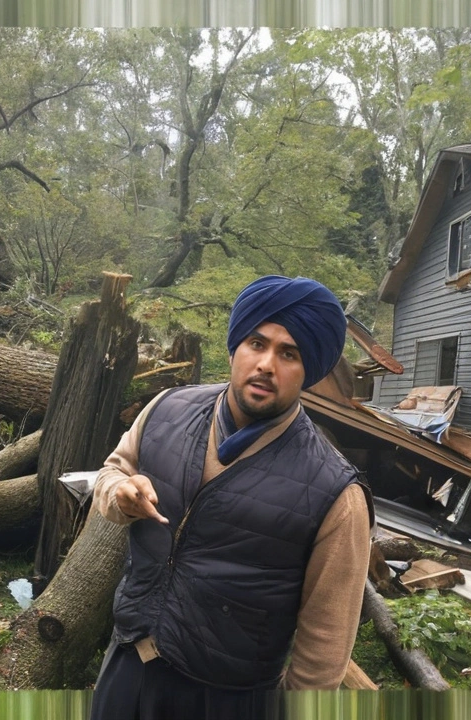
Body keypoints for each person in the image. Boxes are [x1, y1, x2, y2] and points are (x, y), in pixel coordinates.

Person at [88, 275, 373, 720]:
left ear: (309, 371)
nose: (266, 364)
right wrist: (119, 493)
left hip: (225, 697)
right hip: (128, 662)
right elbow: (113, 470)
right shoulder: (165, 409)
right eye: (257, 344)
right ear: (235, 347)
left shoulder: (335, 492)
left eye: (289, 354)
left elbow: (326, 641)